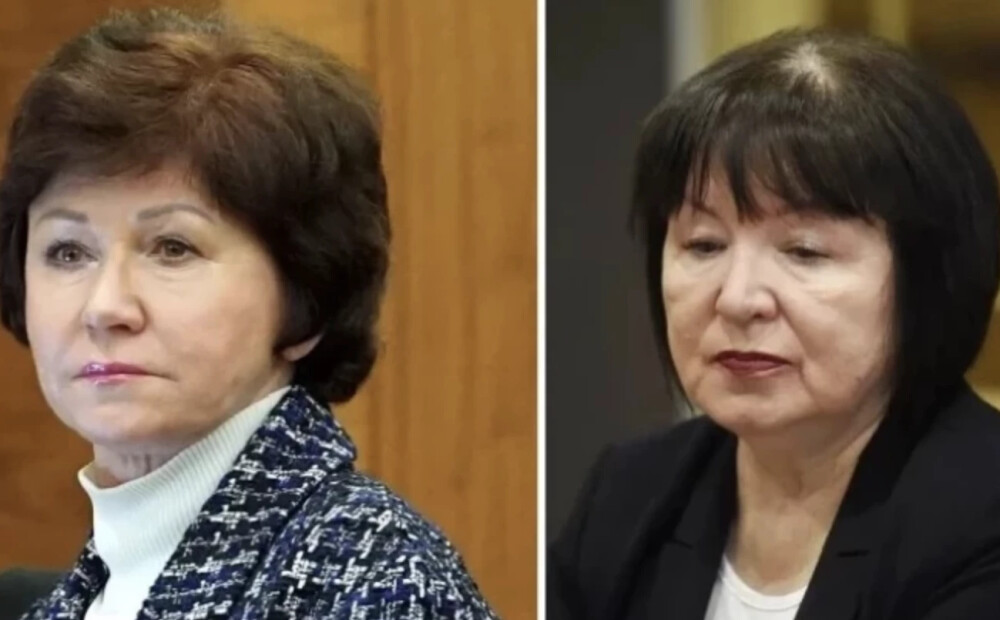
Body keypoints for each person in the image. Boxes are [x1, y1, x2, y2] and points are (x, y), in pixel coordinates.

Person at [0, 7, 496, 618]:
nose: (105, 307)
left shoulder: (374, 578)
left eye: (173, 248)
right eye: (68, 252)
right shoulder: (78, 595)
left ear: (306, 295)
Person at [549, 28, 1000, 620]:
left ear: (930, 273)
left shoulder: (983, 514)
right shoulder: (631, 496)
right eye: (704, 245)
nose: (737, 300)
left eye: (804, 252)